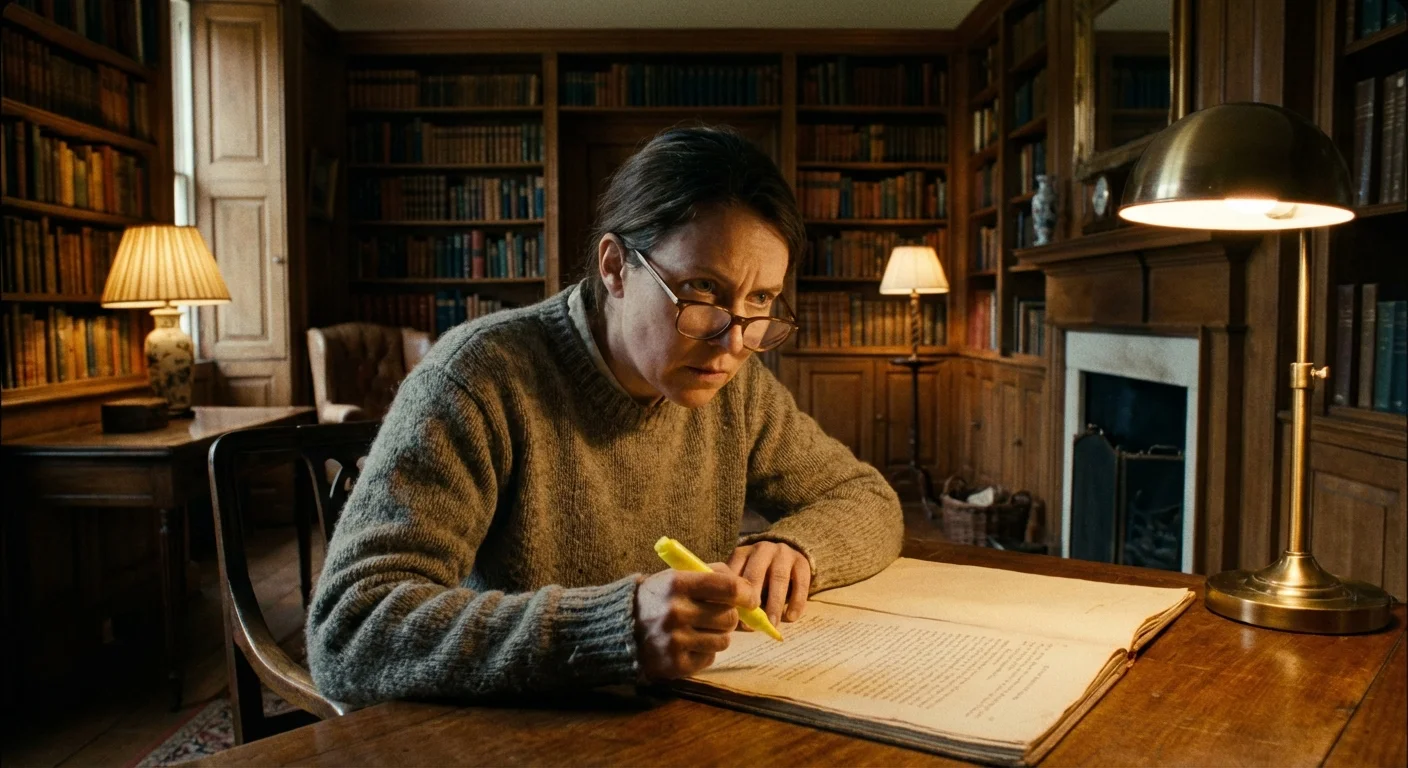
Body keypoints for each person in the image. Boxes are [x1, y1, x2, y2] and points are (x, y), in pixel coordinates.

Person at [307, 125, 903, 705]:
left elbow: (867, 499)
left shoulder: (736, 387)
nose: (733, 344)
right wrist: (612, 628)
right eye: (701, 290)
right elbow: (350, 630)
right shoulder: (477, 377)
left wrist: (796, 547)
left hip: (680, 718)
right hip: (515, 732)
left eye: (761, 300)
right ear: (615, 267)